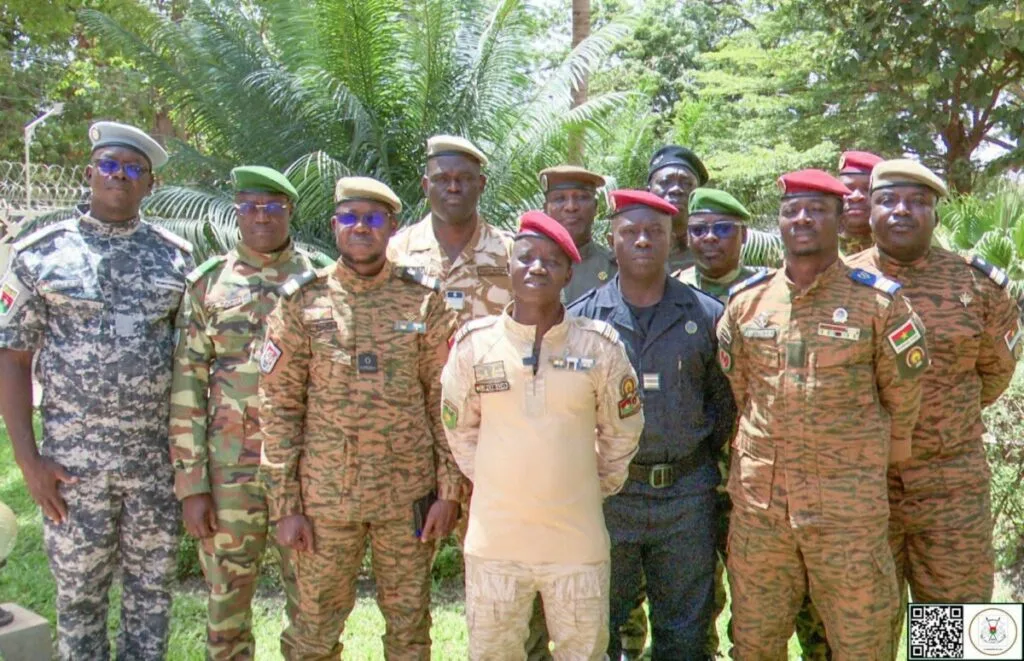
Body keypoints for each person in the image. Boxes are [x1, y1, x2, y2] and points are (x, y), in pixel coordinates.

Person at [0, 122, 193, 660]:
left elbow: (191, 361)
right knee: (79, 601)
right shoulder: (41, 255)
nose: (119, 176)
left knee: (151, 602)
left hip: (154, 467)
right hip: (73, 470)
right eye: (109, 165)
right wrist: (29, 462)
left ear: (150, 184)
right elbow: (12, 358)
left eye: (133, 169)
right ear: (89, 173)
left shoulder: (174, 258)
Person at [719, 169, 929, 660]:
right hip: (765, 507)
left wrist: (871, 453)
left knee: (868, 641)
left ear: (840, 220)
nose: (802, 219)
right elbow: (742, 388)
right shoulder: (748, 302)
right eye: (792, 211)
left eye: (816, 210)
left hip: (858, 505)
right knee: (754, 642)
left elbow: (904, 395)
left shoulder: (882, 300)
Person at [258, 176, 462, 660]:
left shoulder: (423, 299)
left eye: (373, 218)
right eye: (350, 218)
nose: (361, 227)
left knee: (410, 630)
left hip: (407, 497)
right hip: (326, 500)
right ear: (335, 226)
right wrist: (285, 505)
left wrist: (449, 492)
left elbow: (446, 403)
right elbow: (279, 407)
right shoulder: (303, 301)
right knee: (313, 631)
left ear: (391, 226)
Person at [441, 210, 643, 661]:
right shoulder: (475, 345)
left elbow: (623, 431)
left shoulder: (599, 346)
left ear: (569, 273)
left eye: (552, 261)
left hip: (576, 544)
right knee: (492, 655)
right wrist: (501, 480)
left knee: (583, 654)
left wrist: (585, 485)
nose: (537, 268)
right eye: (527, 257)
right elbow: (459, 429)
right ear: (509, 266)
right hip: (496, 544)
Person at [846, 159, 1021, 649]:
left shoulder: (977, 285)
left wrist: (942, 420)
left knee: (953, 630)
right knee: (863, 631)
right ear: (870, 212)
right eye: (888, 200)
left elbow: (996, 373)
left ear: (935, 215)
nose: (902, 210)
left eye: (917, 202)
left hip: (951, 488)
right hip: (863, 487)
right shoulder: (842, 282)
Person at [169, 165, 330, 659]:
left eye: (273, 207)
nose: (262, 216)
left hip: (305, 471)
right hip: (230, 474)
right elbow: (187, 386)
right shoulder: (209, 284)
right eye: (250, 206)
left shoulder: (320, 280)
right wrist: (192, 485)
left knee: (314, 605)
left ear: (290, 211)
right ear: (237, 211)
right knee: (226, 606)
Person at [570, 190, 736, 660]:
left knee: (684, 633)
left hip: (685, 496)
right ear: (612, 240)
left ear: (671, 239)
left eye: (654, 232)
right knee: (596, 627)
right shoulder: (582, 319)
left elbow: (722, 405)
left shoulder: (706, 315)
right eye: (631, 232)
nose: (643, 241)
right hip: (610, 496)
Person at [672, 186, 763, 656]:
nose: (710, 238)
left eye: (723, 229)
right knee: (695, 591)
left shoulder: (772, 291)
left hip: (948, 480)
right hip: (700, 469)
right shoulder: (669, 290)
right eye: (700, 229)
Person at [539, 165, 616, 303]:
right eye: (559, 199)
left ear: (595, 207)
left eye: (581, 197)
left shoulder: (615, 267)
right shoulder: (529, 268)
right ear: (546, 209)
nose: (571, 207)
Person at [647, 145, 710, 274]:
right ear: (648, 191)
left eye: (687, 183)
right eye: (665, 182)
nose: (676, 189)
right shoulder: (631, 249)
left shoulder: (712, 250)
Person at [836, 150, 884, 257]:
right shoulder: (817, 244)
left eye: (867, 189)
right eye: (847, 188)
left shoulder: (896, 247)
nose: (856, 196)